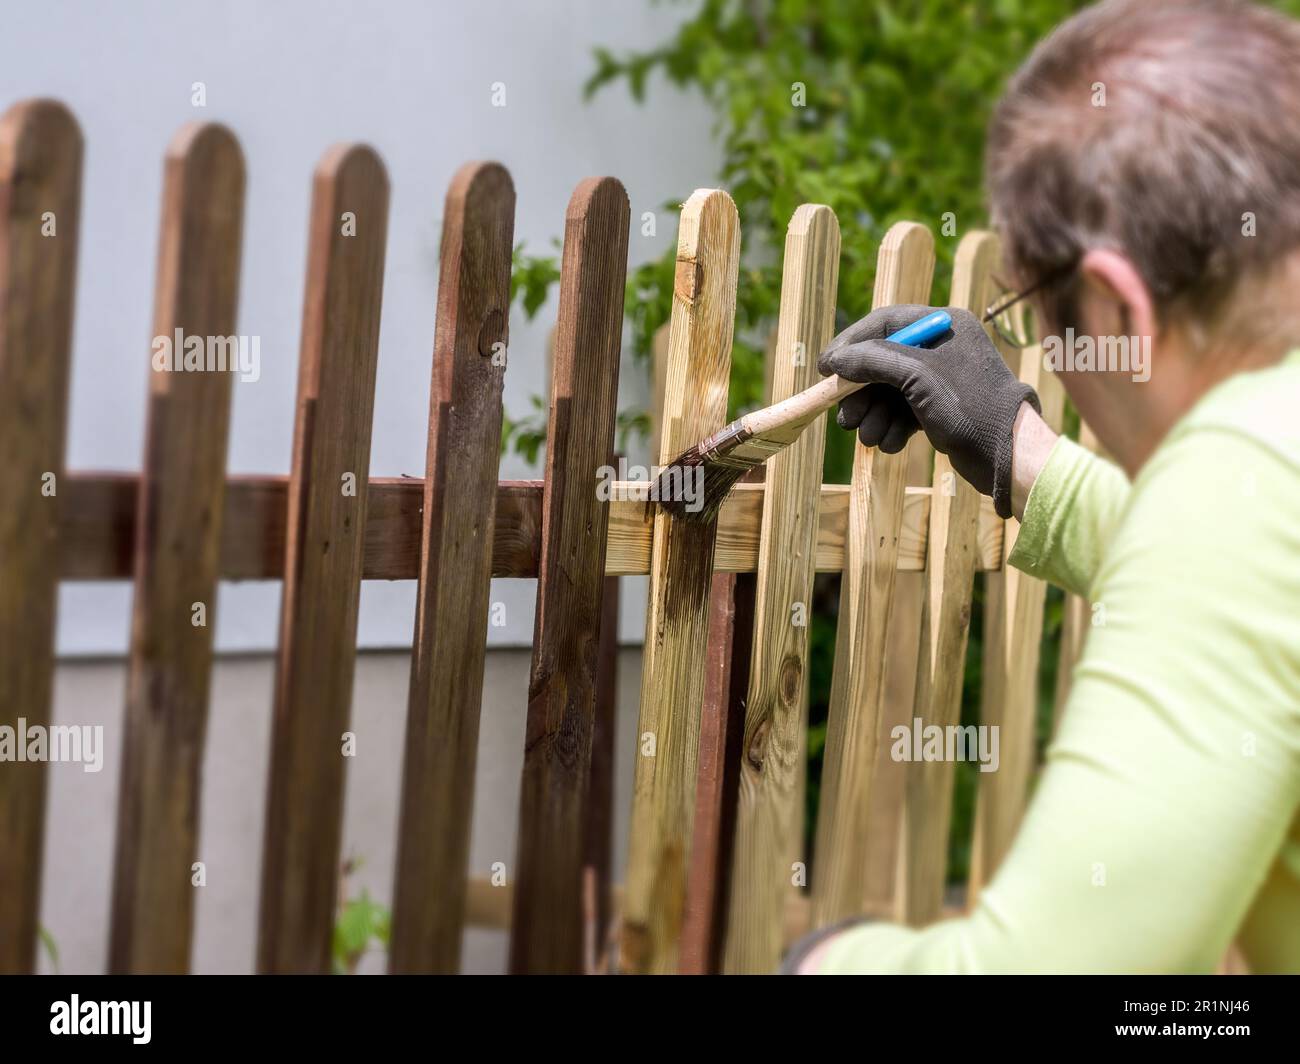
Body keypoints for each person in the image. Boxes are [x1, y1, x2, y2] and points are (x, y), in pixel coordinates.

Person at [795, 0, 1300, 973]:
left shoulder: (1243, 462)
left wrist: (821, 956)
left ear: (1117, 303)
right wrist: (1014, 444)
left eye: (1050, 319)